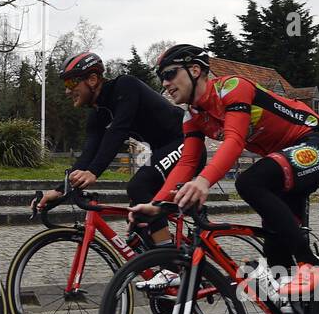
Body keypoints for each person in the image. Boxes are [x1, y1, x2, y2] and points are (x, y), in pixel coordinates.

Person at [130, 44, 319, 314]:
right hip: (281, 164)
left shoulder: (232, 88)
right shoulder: (193, 116)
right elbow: (185, 163)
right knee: (277, 258)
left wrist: (204, 182)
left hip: (311, 148)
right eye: (161, 78)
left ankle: (312, 264)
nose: (165, 84)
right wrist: (158, 202)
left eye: (170, 74)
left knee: (249, 182)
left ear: (195, 70)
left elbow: (234, 141)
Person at [33, 51, 196, 245]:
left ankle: (171, 269)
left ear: (92, 79)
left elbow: (119, 130)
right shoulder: (98, 114)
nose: (67, 91)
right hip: (163, 150)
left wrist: (94, 171)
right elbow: (88, 154)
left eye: (70, 83)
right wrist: (60, 190)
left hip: (187, 143)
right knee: (137, 225)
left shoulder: (125, 86)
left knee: (139, 186)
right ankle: (165, 257)